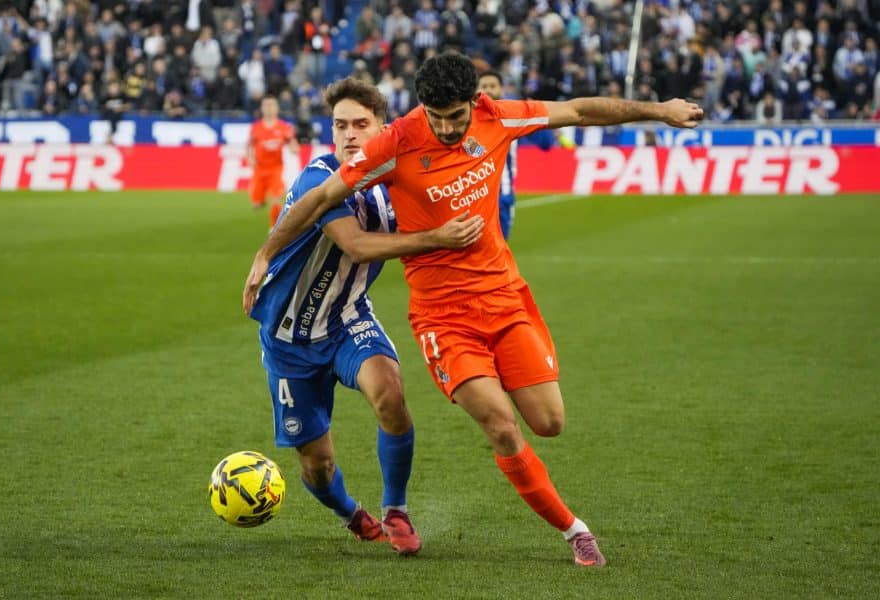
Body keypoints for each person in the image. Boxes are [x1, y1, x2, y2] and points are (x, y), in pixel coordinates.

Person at [244, 52, 704, 567]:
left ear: (475, 103)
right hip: (439, 318)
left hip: (502, 299)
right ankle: (573, 530)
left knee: (549, 422)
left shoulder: (498, 117)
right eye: (434, 117)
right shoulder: (393, 146)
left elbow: (577, 111)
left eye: (454, 117)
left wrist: (660, 110)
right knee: (498, 425)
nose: (444, 128)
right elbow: (321, 200)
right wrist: (265, 251)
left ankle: (402, 496)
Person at [248, 77, 484, 556]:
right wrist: (439, 237)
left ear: (383, 128)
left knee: (390, 394)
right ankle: (351, 513)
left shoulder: (396, 180)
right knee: (317, 465)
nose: (350, 134)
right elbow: (355, 244)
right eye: (340, 125)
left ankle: (395, 509)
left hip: (347, 321)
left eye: (361, 124)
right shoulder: (320, 179)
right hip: (289, 340)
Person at [475, 70, 555, 240]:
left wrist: (536, 113)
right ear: (477, 91)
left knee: (498, 250)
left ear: (502, 89)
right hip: (473, 197)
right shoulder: (468, 117)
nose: (488, 90)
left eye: (493, 86)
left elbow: (546, 144)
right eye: (484, 86)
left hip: (502, 196)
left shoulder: (514, 115)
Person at [247, 95, 299, 224]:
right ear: (262, 108)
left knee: (276, 198)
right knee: (257, 204)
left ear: (277, 108)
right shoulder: (256, 127)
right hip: (259, 169)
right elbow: (249, 145)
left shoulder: (284, 127)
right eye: (266, 105)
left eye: (272, 105)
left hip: (276, 168)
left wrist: (294, 148)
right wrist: (249, 158)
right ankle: (260, 199)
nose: (269, 108)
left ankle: (274, 228)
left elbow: (292, 143)